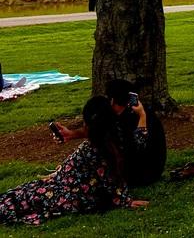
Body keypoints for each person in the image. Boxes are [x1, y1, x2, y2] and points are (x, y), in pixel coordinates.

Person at [2, 96, 150, 225]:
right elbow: (136, 145)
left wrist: (124, 200)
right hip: (67, 188)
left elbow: (111, 181)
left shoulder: (97, 147)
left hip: (69, 191)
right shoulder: (108, 140)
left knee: (24, 199)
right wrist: (142, 115)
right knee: (24, 197)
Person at [52, 80, 166, 188]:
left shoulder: (135, 117)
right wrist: (71, 134)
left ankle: (63, 176)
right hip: (147, 170)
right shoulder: (124, 113)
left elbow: (138, 145)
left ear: (112, 100)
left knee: (95, 152)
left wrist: (142, 116)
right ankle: (64, 174)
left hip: (142, 174)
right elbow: (100, 132)